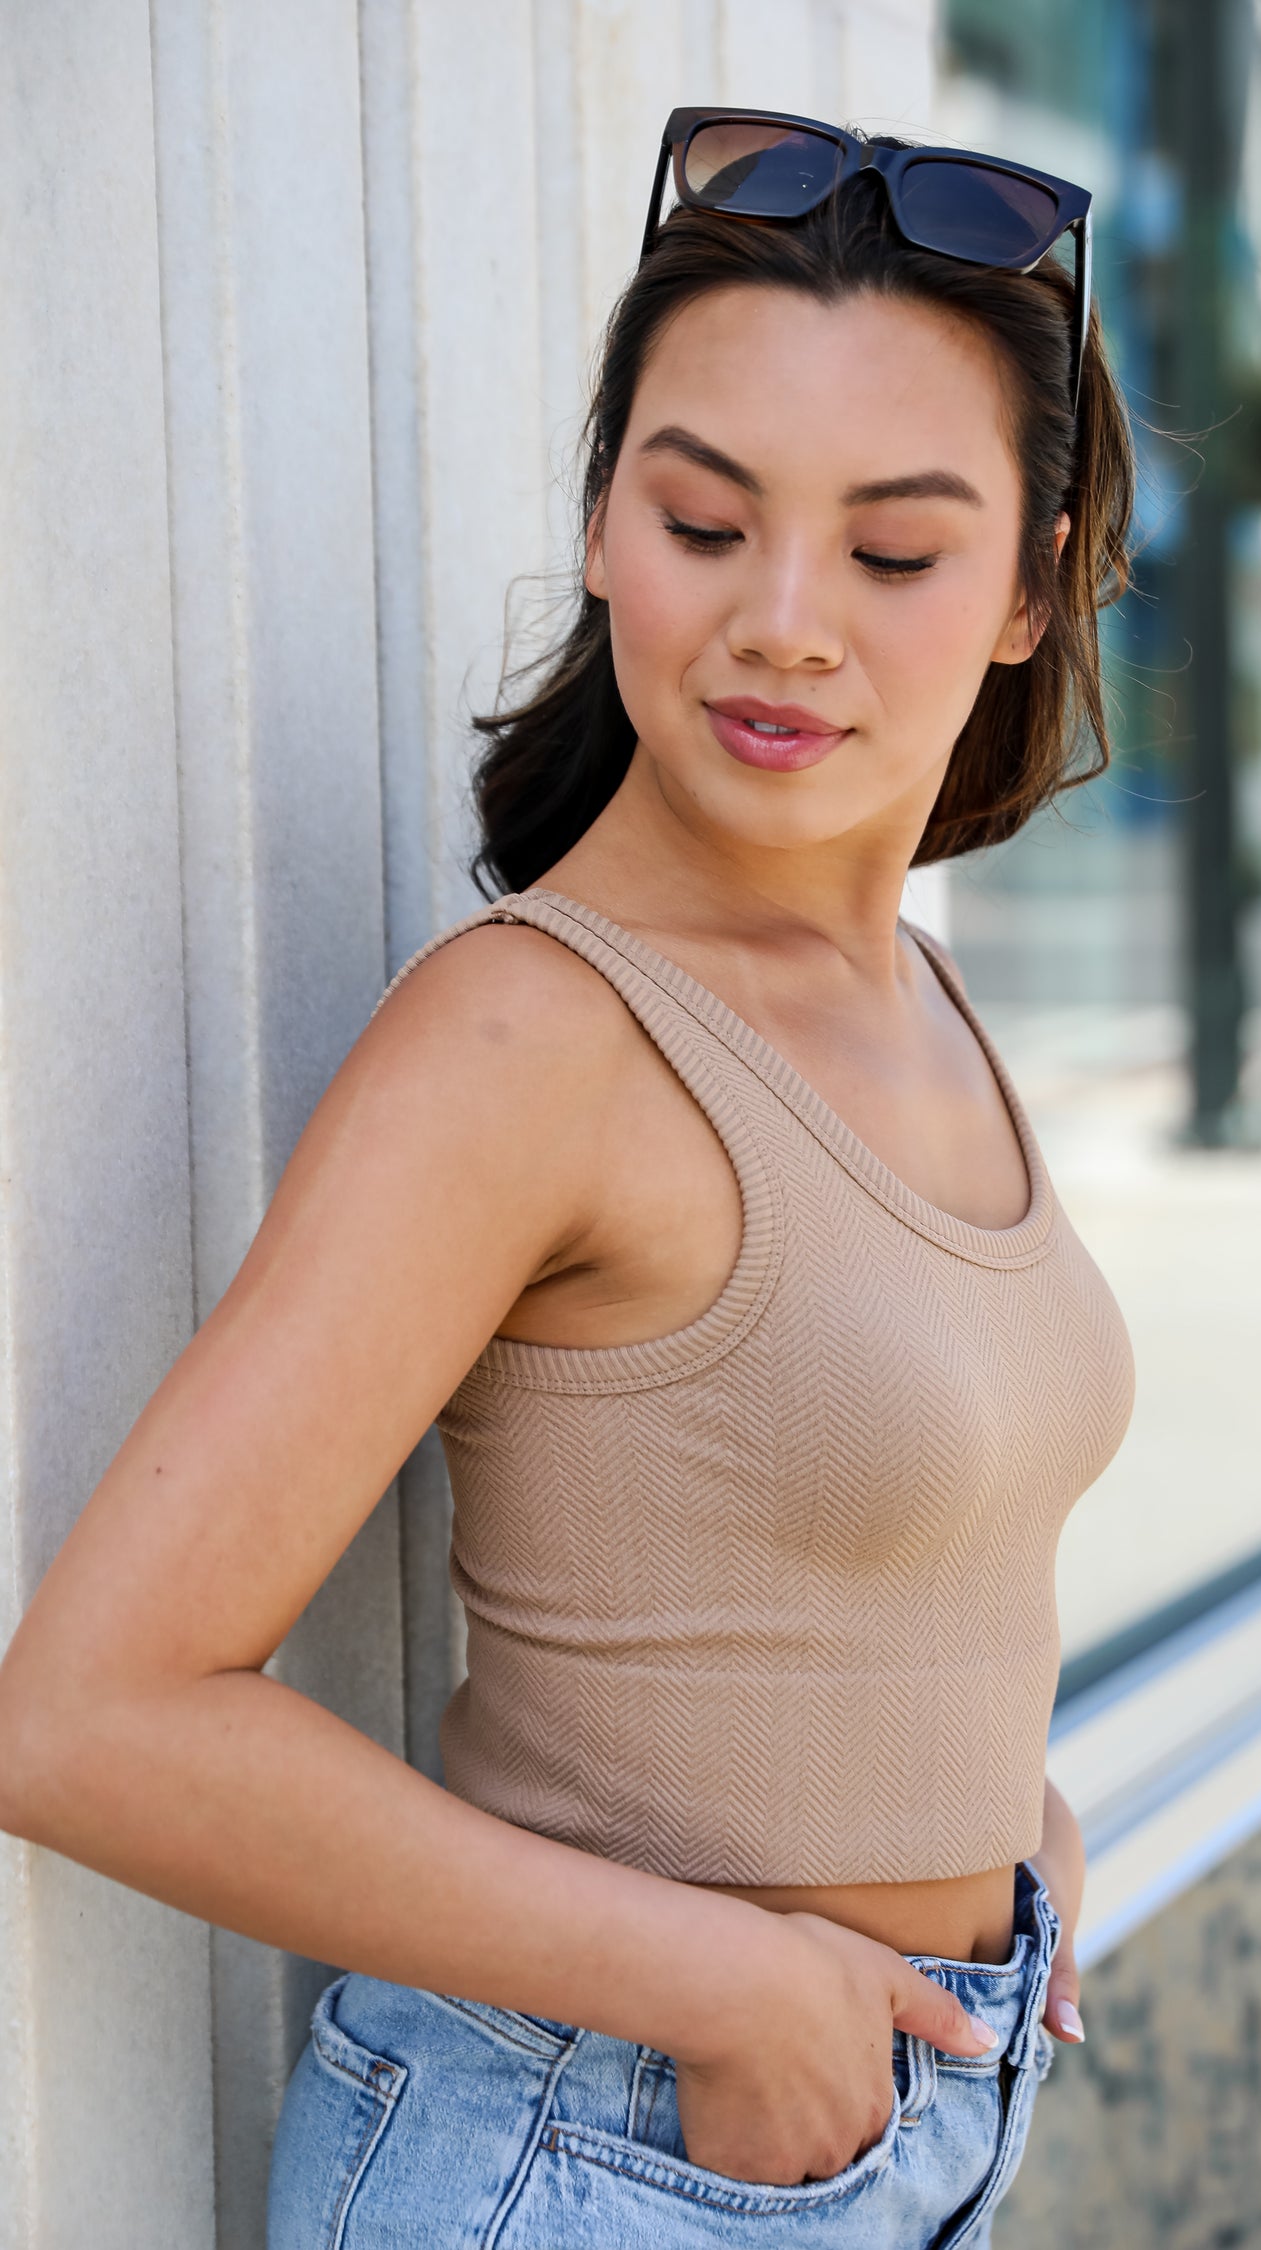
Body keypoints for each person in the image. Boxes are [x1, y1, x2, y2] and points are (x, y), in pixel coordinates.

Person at [0, 108, 1135, 2247]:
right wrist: (727, 1982)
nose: (782, 623)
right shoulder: (533, 1039)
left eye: (892, 554)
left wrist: (1026, 1841)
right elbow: (85, 1718)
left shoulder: (912, 998)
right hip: (603, 2149)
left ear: (1033, 589)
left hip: (895, 2110)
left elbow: (881, 1558)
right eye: (706, 519)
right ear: (607, 519)